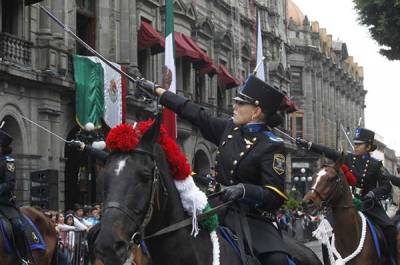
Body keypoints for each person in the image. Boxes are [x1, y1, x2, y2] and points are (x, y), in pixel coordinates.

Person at [138, 72, 291, 264]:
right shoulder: (229, 130)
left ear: (256, 112)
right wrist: (158, 91)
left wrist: (243, 190)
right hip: (216, 209)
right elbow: (194, 112)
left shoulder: (271, 145)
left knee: (277, 260)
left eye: (241, 104)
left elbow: (275, 196)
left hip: (252, 218)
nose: (234, 107)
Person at [296, 127, 396, 262]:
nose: (355, 147)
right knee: (327, 232)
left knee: (389, 229)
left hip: (368, 205)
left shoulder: (376, 165)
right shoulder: (348, 158)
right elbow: (328, 151)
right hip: (347, 203)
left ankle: (392, 260)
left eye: (359, 144)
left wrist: (373, 193)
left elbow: (386, 186)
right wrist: (309, 145)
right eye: (355, 144)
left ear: (368, 146)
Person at [0, 127, 31, 263]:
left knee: (17, 226)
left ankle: (23, 258)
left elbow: (9, 184)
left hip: (4, 203)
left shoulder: (8, 162)